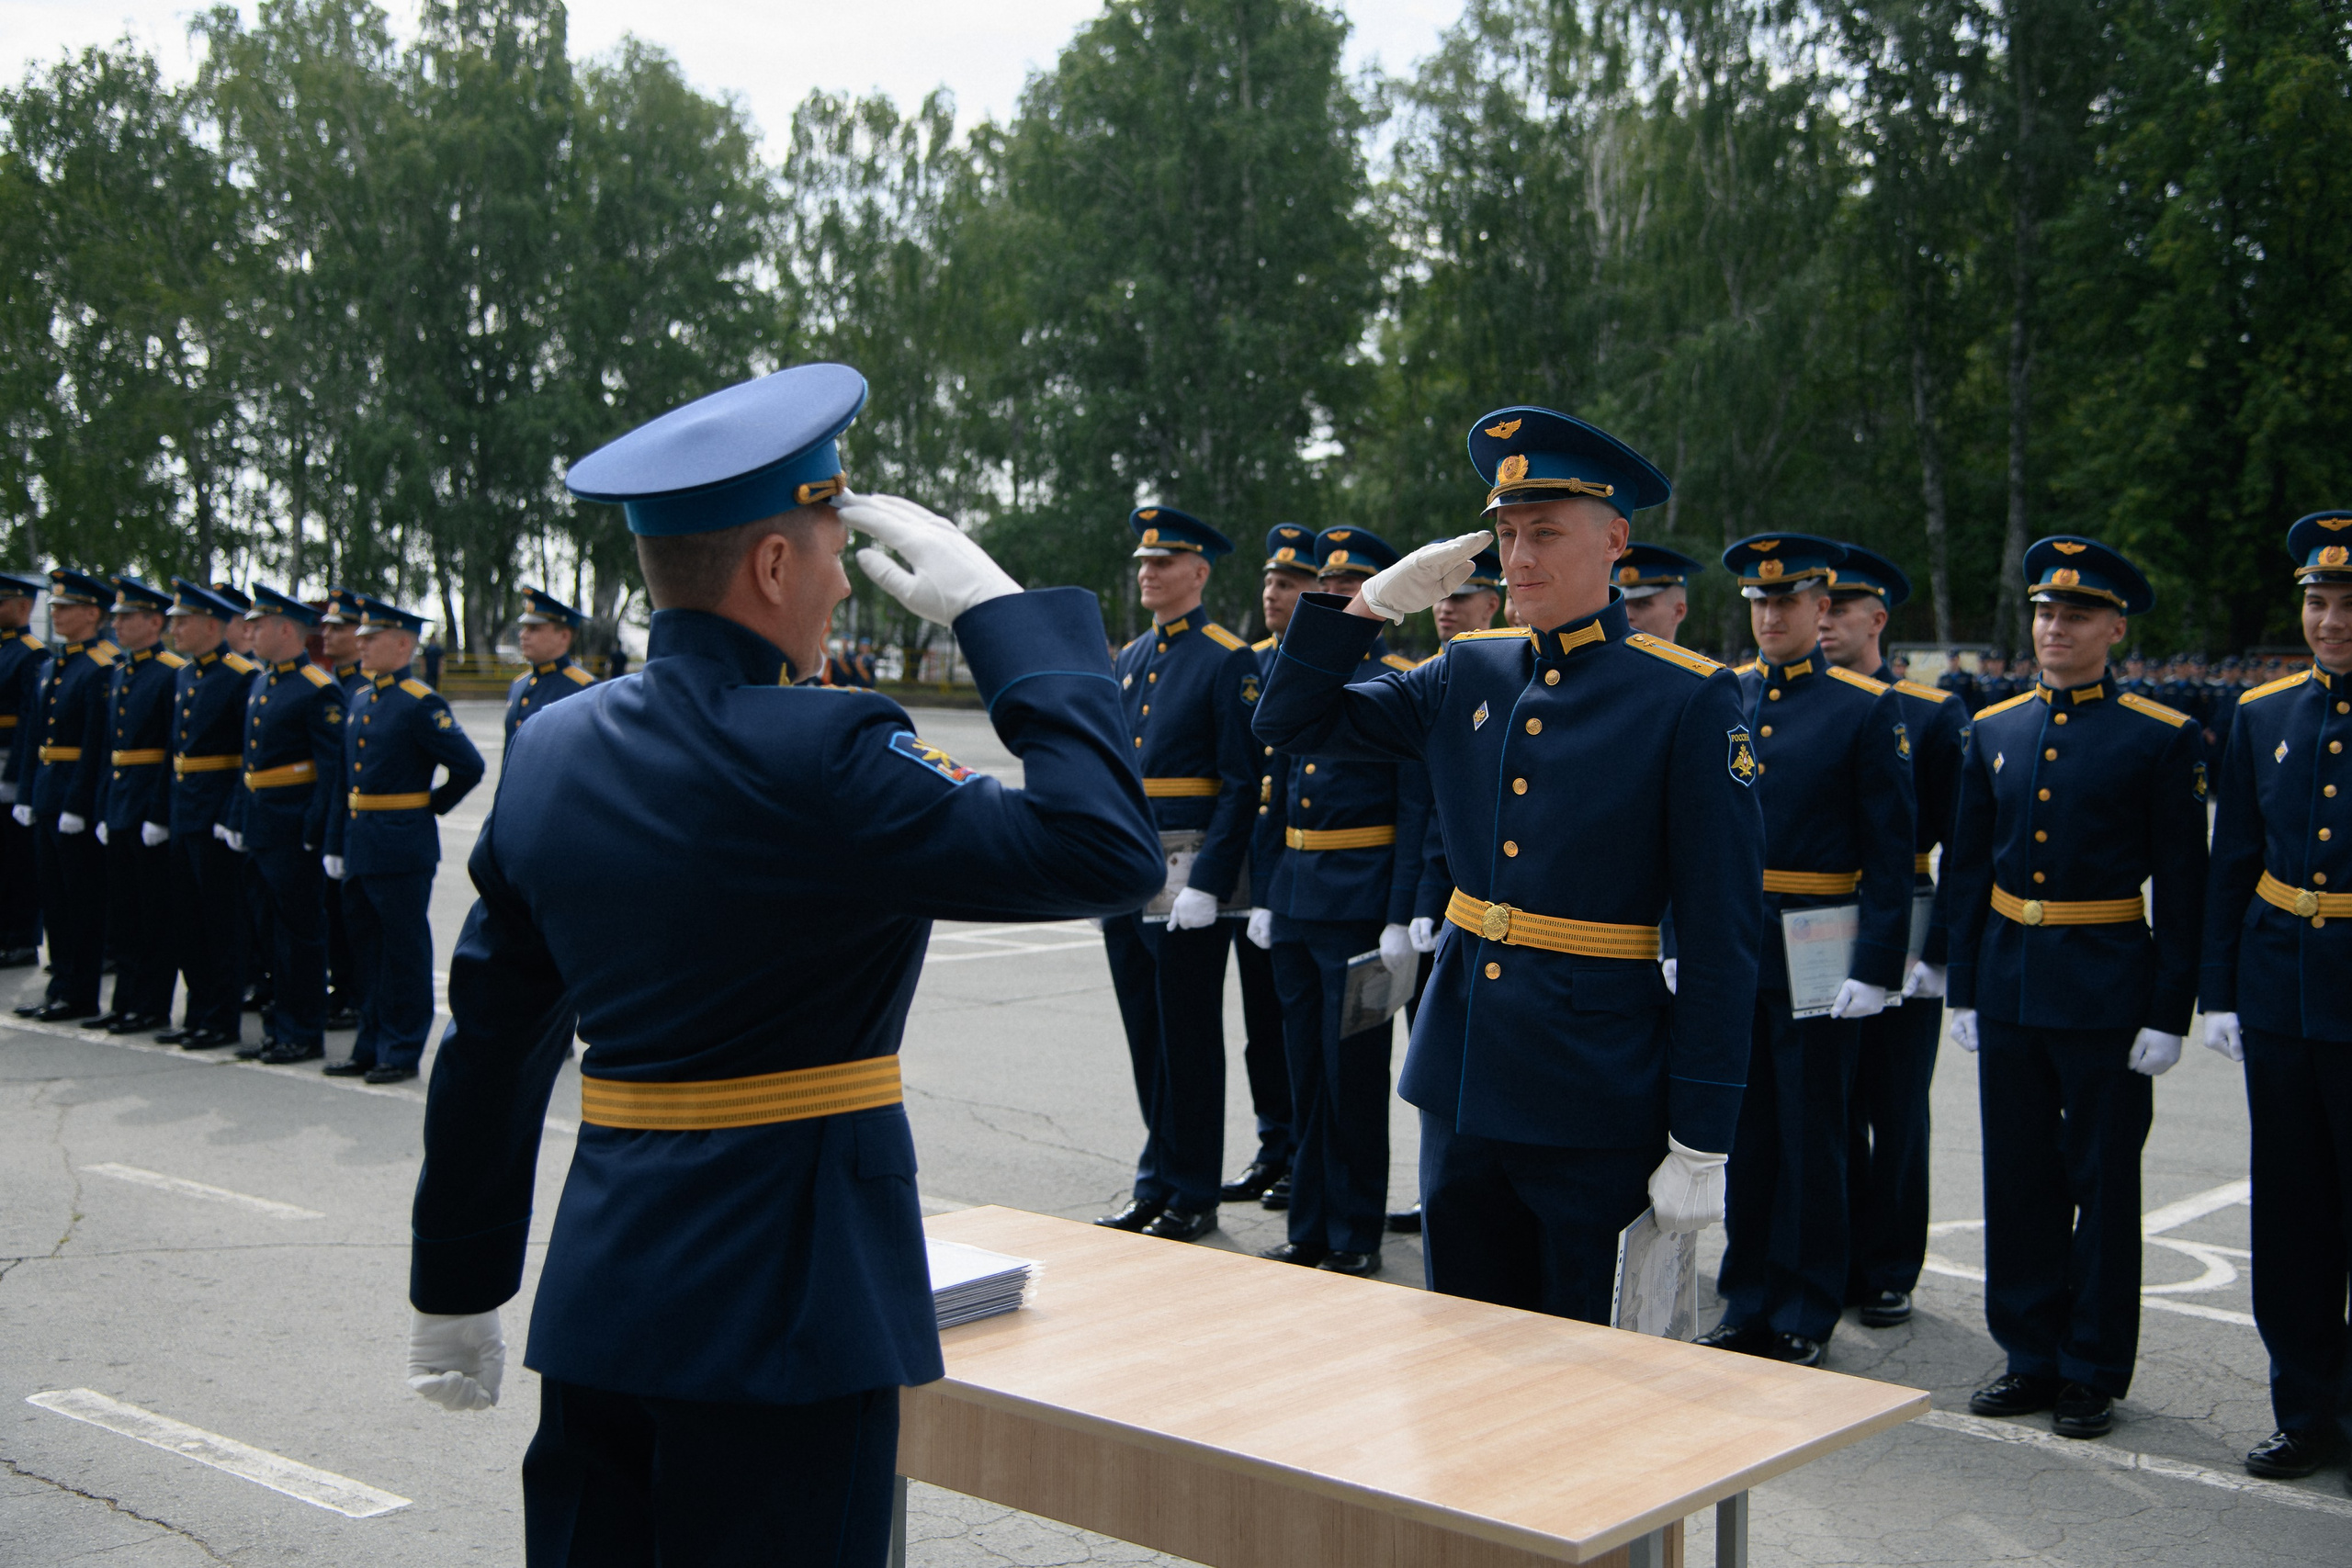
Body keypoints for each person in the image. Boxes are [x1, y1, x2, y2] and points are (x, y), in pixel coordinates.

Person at [400, 362, 1160, 1565]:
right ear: (769, 566)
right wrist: (1003, 616)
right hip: (799, 1312)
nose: (841, 576)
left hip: (606, 1301)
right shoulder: (832, 750)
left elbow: (491, 1040)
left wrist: (456, 1272)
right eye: (830, 545)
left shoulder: (552, 745)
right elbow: (1107, 852)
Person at [1253, 405, 1765, 1327]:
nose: (1518, 558)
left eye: (1545, 534)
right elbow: (1290, 725)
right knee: (1461, 1352)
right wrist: (1367, 606)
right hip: (1463, 1067)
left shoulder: (1687, 698)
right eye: (1505, 534)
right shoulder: (1468, 673)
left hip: (1593, 1081)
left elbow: (1724, 933)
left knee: (1583, 1365)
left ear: (1613, 540)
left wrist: (1703, 1133)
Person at [1946, 536, 2206, 1439]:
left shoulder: (2160, 738)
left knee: (2100, 1185)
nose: (2055, 627)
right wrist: (1964, 989)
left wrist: (2169, 1009)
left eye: (2076, 615)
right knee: (2017, 1182)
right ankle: (2028, 1354)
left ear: (2114, 628)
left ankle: (2091, 1365)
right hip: (2013, 985)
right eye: (2045, 612)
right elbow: (1968, 869)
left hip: (2106, 990)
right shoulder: (1995, 729)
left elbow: (2182, 883)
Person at [1694, 536, 1915, 1368]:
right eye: (1759, 602)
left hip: (1821, 939)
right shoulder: (1725, 695)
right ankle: (1745, 1296)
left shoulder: (1863, 708)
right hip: (1739, 942)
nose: (1771, 616)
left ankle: (1805, 1305)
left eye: (1787, 602)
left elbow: (1891, 854)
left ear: (1822, 609)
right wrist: (1687, 939)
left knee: (1813, 1134)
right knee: (1744, 1133)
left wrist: (1876, 966)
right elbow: (1697, 834)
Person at [2199, 512, 2352, 1482]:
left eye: (2344, 605)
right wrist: (2218, 990)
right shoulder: (2262, 716)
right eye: (2317, 602)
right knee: (2291, 1217)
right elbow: (2231, 862)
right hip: (2281, 997)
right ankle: (2304, 1410)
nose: (2329, 621)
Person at [1249, 526, 1426, 1276]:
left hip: (1359, 909)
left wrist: (1398, 912)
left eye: (1348, 591)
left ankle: (1354, 1231)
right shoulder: (1304, 679)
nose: (1335, 602)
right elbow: (1278, 793)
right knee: (1305, 1076)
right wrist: (1265, 893)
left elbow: (1415, 808)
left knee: (1352, 1077)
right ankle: (1311, 1223)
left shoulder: (1398, 681)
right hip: (1296, 901)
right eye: (1327, 591)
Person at [1096, 505, 1259, 1243]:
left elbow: (1241, 781)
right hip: (1132, 876)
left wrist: (1211, 881)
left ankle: (1193, 1189)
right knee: (1146, 1036)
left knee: (1187, 1040)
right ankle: (1155, 1178)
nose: (1148, 573)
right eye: (1142, 563)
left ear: (1199, 572)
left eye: (1163, 563)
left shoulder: (1227, 658)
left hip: (1189, 879)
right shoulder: (1131, 658)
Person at [1818, 544, 1969, 1329]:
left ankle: (1889, 1265)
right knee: (1828, 1103)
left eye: (1841, 609)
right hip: (1818, 922)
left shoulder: (1930, 711)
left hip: (1902, 915)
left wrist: (1938, 949)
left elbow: (1962, 844)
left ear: (1876, 619)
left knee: (1896, 1104)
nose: (1827, 621)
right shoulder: (1806, 701)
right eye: (1822, 607)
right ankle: (1834, 1255)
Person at [1385, 546, 1504, 1237]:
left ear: (1493, 604)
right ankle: (1445, 1194)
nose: (1446, 607)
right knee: (1441, 1080)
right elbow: (1430, 814)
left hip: (1503, 917)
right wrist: (1418, 906)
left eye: (1463, 595)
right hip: (1449, 908)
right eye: (1440, 596)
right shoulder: (1435, 681)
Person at [322, 597, 484, 1084]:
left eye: (371, 638)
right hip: (361, 842)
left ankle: (401, 1047)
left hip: (400, 845)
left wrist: (428, 806)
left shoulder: (419, 702)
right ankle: (369, 1044)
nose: (361, 644)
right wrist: (335, 842)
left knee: (402, 951)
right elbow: (342, 782)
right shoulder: (359, 698)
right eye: (362, 637)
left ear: (403, 643)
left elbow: (469, 766)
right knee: (365, 951)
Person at [1227, 522, 1316, 1210]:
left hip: (1303, 867)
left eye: (1287, 583)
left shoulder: (1323, 661)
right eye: (1268, 582)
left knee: (1299, 1028)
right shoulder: (1250, 659)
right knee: (1262, 1024)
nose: (1272, 593)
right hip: (1254, 866)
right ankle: (1272, 1142)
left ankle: (1303, 1159)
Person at [232, 586, 347, 1066]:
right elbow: (251, 763)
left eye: (257, 625)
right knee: (268, 931)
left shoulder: (318, 689)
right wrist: (238, 819)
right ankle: (281, 1026)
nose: (249, 631)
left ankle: (304, 1030)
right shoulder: (263, 684)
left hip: (293, 831)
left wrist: (314, 832)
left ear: (285, 630)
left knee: (300, 935)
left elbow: (331, 772)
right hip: (261, 826)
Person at [153, 581, 257, 1050]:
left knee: (221, 922)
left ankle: (221, 1017)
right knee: (184, 920)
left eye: (182, 621)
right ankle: (198, 1010)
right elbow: (174, 752)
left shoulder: (241, 677)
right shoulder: (185, 675)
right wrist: (161, 812)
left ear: (211, 625)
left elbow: (246, 759)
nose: (174, 628)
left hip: (216, 816)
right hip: (184, 811)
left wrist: (232, 815)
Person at [13, 571, 117, 1022]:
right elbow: (34, 737)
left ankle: (81, 992)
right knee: (54, 897)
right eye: (53, 607)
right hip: (47, 792)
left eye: (64, 607)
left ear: (92, 614)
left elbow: (95, 746)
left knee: (82, 901)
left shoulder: (101, 666)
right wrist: (25, 790)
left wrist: (78, 804)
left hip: (76, 797)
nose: (54, 614)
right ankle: (61, 985)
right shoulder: (54, 665)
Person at [83, 579, 183, 1035]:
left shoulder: (170, 672)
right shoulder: (120, 672)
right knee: (122, 911)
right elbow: (110, 749)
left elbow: (169, 751)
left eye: (127, 617)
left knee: (155, 915)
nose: (117, 624)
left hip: (147, 804)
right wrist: (104, 807)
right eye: (117, 617)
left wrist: (158, 813)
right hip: (120, 802)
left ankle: (150, 1004)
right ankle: (125, 1000)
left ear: (155, 622)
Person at [316, 588, 367, 1029]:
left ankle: (352, 993)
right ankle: (342, 988)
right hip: (330, 817)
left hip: (357, 823)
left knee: (352, 918)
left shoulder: (364, 689)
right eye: (326, 626)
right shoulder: (335, 684)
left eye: (339, 627)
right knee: (332, 913)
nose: (327, 634)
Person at [0, 572, 49, 967]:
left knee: (16, 855)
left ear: (22, 607)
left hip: (7, 761)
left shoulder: (32, 653)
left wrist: (16, 775)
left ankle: (21, 936)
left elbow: (30, 721)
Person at [504, 587, 596, 746]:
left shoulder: (586, 690)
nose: (522, 635)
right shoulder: (519, 685)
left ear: (564, 636)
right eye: (524, 627)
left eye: (533, 629)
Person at [1614, 542, 1704, 645]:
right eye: (1622, 604)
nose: (1627, 615)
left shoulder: (1693, 662)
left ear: (1678, 612)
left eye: (1643, 603)